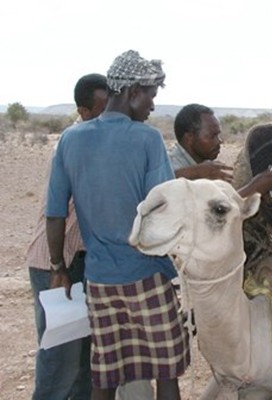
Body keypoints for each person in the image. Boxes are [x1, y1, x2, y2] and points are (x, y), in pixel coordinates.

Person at [46, 50, 190, 400]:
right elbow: (164, 208)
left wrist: (58, 267)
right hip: (148, 275)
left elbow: (55, 212)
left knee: (106, 377)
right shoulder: (147, 139)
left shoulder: (71, 139)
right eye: (152, 97)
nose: (153, 107)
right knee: (166, 372)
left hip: (99, 281)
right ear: (133, 92)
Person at [27, 73, 108, 400]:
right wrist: (59, 266)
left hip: (80, 261)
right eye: (101, 111)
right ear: (83, 111)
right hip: (57, 261)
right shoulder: (74, 143)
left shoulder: (97, 142)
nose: (109, 119)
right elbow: (55, 212)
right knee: (60, 360)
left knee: (84, 360)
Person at [168, 103, 233, 181]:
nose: (219, 141)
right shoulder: (168, 165)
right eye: (212, 136)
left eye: (218, 135)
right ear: (189, 138)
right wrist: (195, 172)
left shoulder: (205, 168)